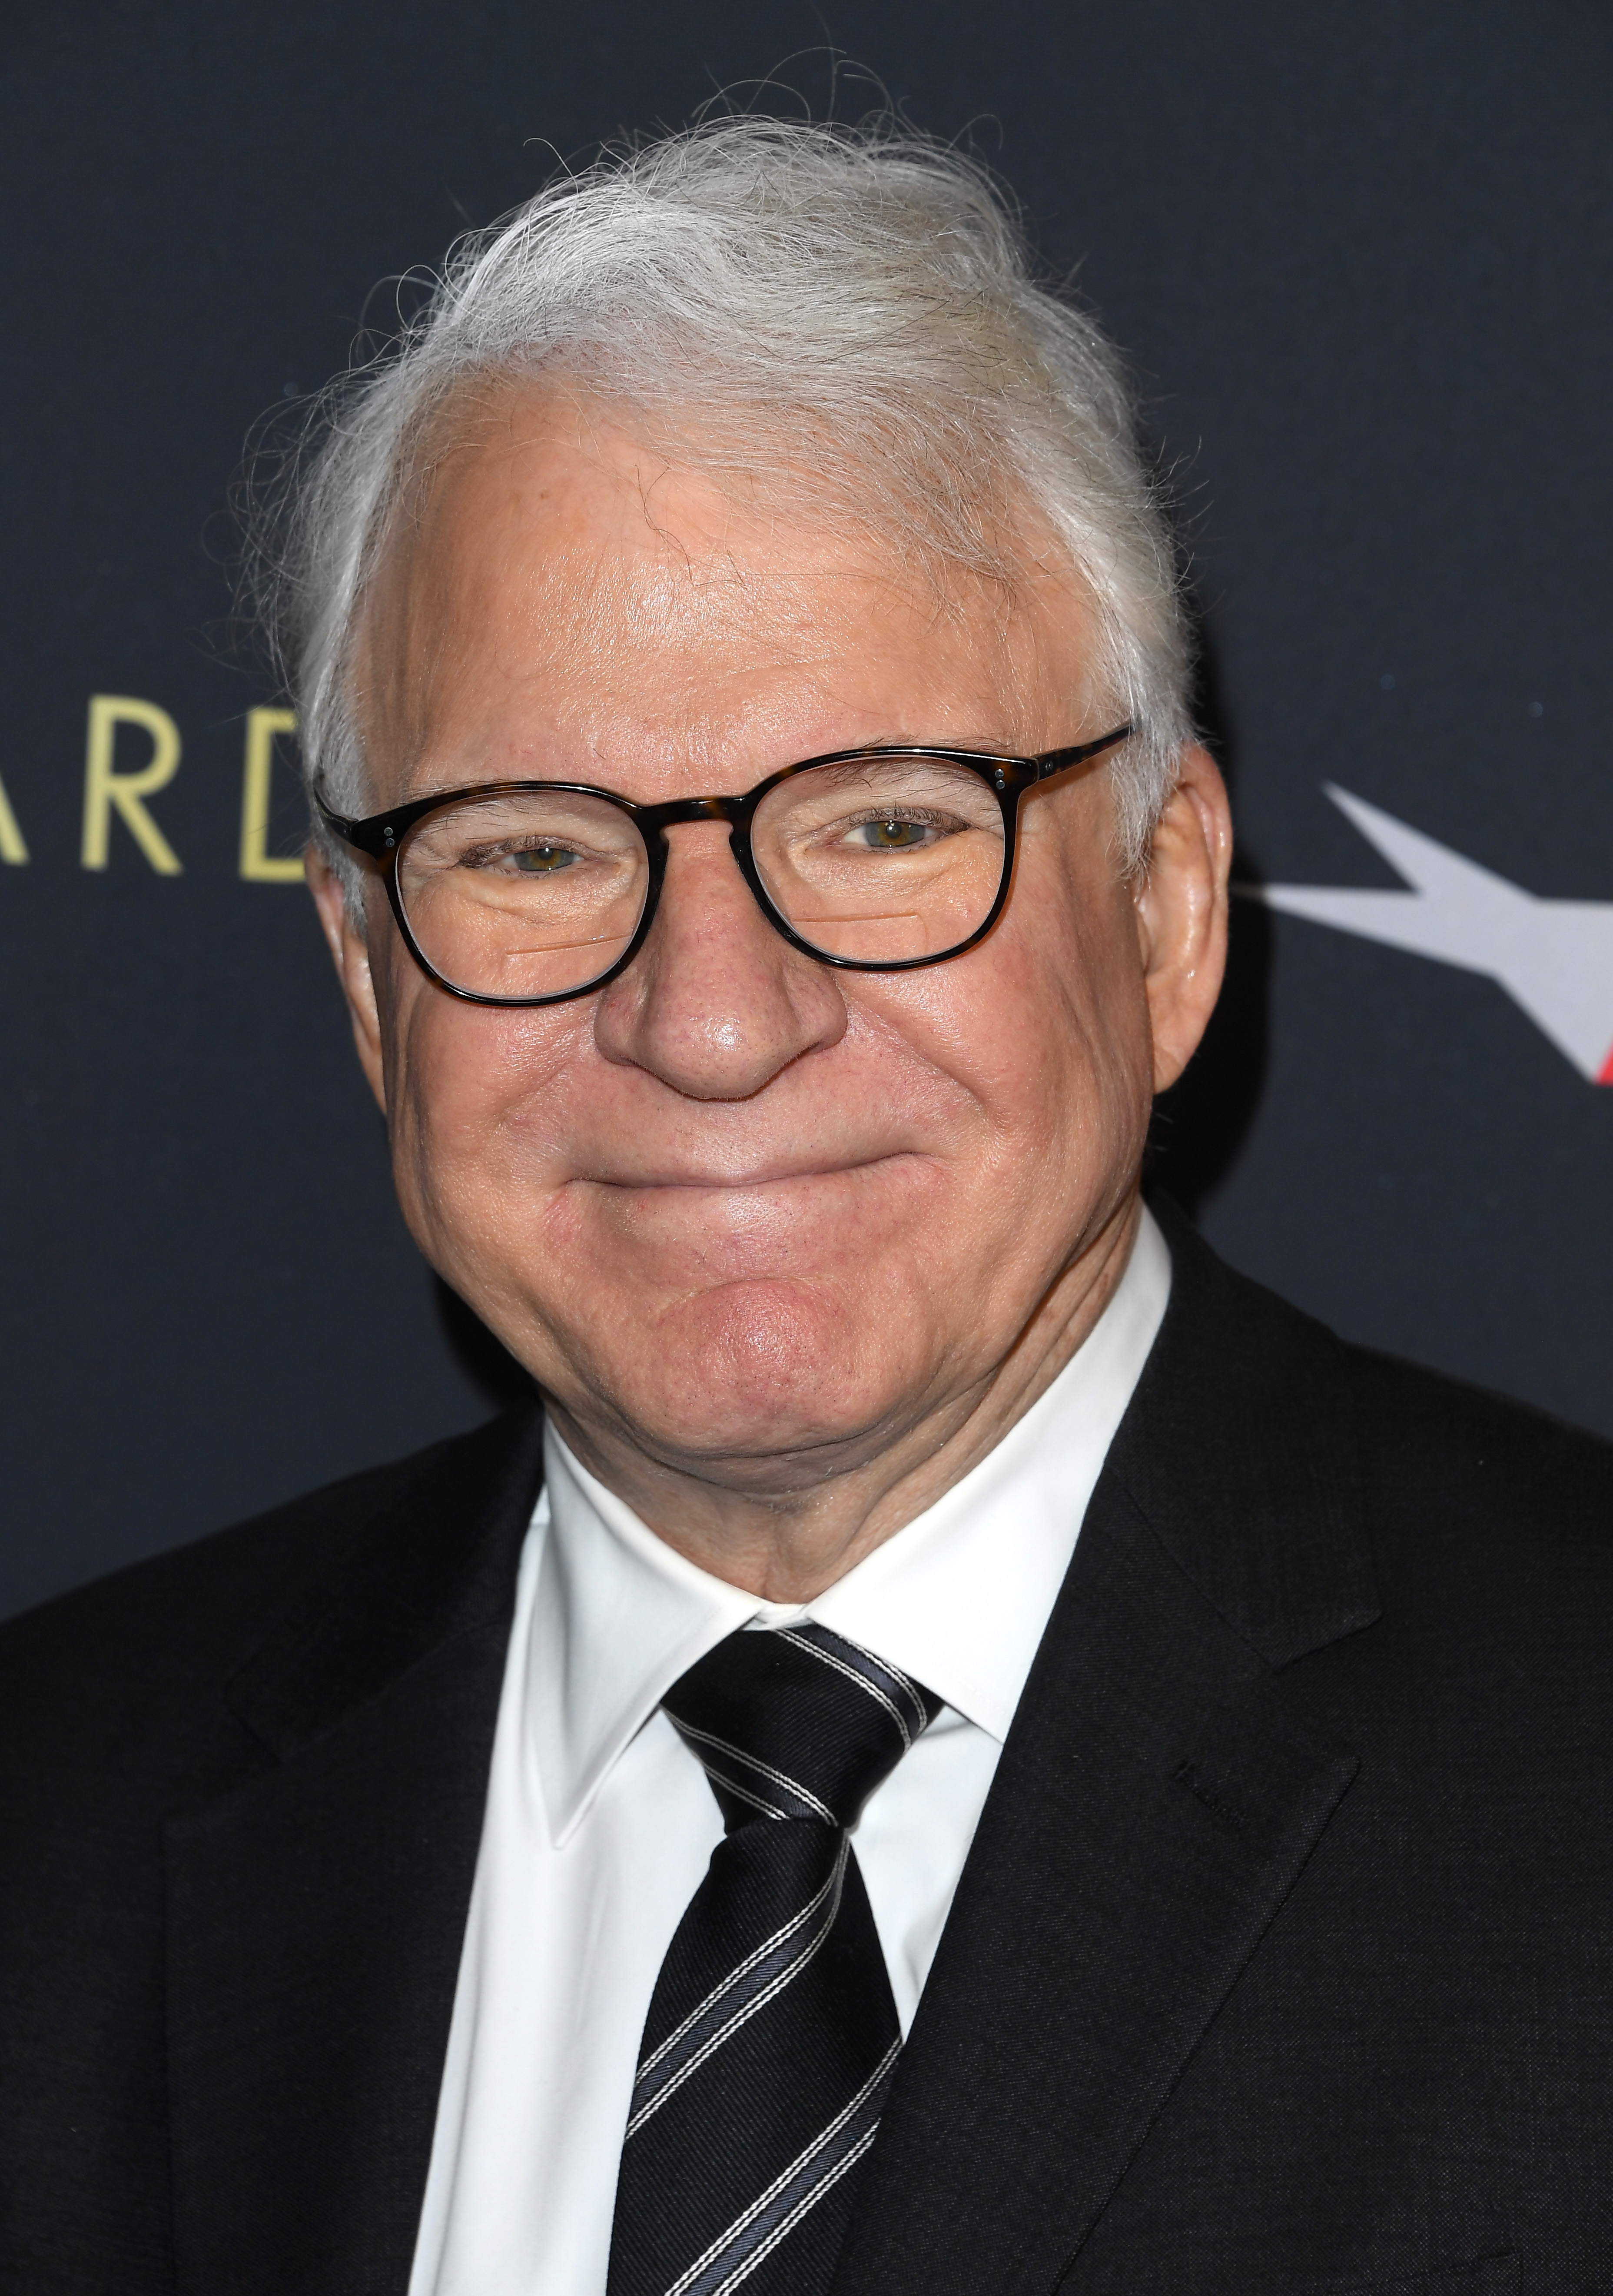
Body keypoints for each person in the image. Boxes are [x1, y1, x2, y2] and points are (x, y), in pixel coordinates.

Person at [3, 116, 1610, 2296]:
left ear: (1162, 912)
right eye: (534, 846)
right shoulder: (57, 1826)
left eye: (878, 824)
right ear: (371, 982)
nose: (713, 1022)